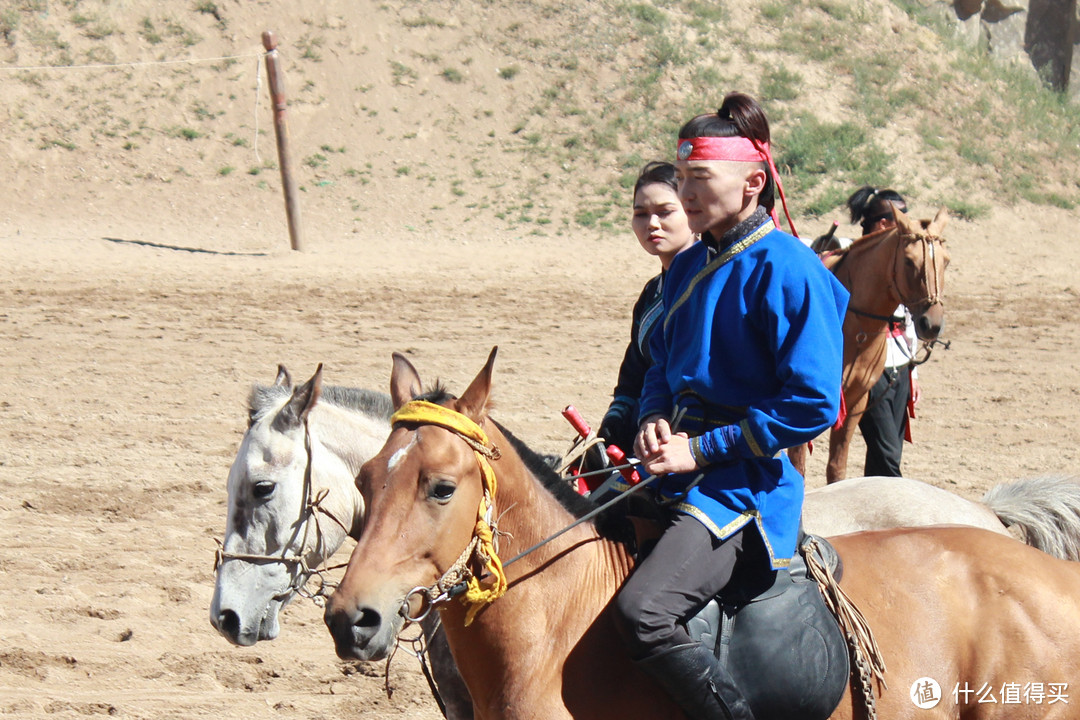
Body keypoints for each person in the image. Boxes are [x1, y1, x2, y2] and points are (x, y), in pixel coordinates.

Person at [613, 92, 849, 720]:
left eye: (700, 178)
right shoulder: (690, 265)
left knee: (645, 614)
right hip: (671, 465)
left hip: (742, 488)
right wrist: (652, 418)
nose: (687, 193)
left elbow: (812, 404)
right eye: (682, 177)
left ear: (752, 183)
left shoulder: (790, 269)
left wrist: (700, 449)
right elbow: (660, 361)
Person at [595, 161, 697, 457]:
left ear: (691, 211)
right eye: (641, 214)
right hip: (646, 430)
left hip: (690, 439)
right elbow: (634, 370)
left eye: (665, 212)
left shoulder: (711, 285)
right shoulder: (652, 292)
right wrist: (616, 418)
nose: (652, 223)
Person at [846, 186, 921, 476]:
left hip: (899, 363)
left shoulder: (902, 259)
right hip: (868, 366)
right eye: (901, 219)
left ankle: (874, 508)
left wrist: (913, 372)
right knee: (888, 453)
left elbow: (910, 316)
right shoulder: (851, 258)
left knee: (889, 452)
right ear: (884, 224)